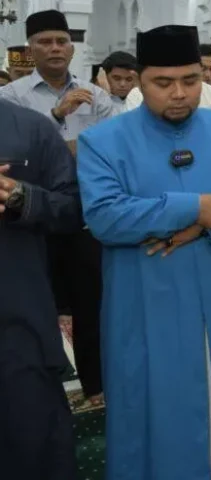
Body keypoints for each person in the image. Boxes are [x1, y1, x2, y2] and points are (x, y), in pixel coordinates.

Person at [76, 24, 211, 480]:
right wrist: (194, 208)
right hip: (151, 299)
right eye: (163, 83)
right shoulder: (102, 141)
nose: (179, 93)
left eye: (190, 80)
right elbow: (105, 216)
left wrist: (205, 224)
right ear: (138, 80)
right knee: (159, 402)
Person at [0, 9, 116, 407]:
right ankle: (38, 382)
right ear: (29, 48)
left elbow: (110, 149)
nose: (55, 48)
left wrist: (61, 152)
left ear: (72, 47)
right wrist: (56, 116)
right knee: (33, 303)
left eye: (61, 41)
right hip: (26, 218)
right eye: (45, 41)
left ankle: (95, 387)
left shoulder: (96, 95)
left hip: (83, 211)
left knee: (90, 303)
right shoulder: (10, 97)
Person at [0, 98, 82, 480]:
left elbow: (73, 207)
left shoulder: (31, 128)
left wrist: (20, 197)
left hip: (17, 315)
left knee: (31, 433)